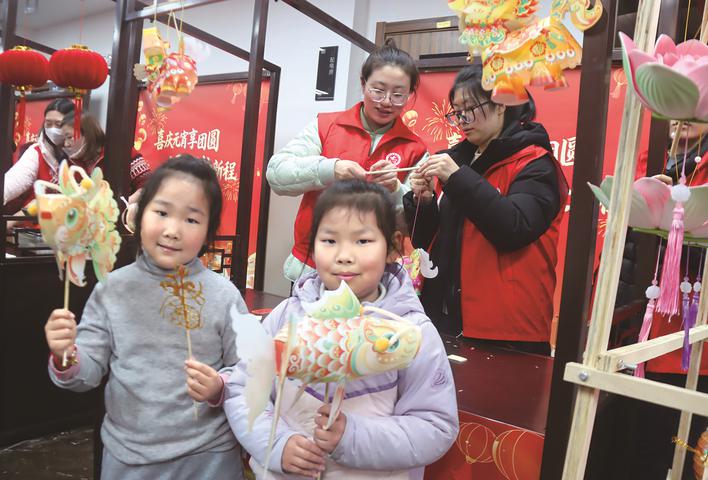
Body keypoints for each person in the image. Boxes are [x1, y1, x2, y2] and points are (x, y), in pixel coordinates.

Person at [225, 180, 459, 479]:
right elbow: (243, 387)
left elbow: (435, 425)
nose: (344, 255)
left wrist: (352, 437)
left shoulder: (412, 332)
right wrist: (276, 444)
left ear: (392, 248)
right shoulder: (287, 316)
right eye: (329, 240)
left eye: (362, 241)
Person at [44, 155, 245, 480]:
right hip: (129, 459)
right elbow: (87, 373)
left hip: (209, 458)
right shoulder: (112, 290)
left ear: (209, 232)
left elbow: (250, 371)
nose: (173, 230)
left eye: (191, 219)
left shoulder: (224, 295)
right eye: (162, 212)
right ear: (139, 216)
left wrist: (220, 386)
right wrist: (65, 354)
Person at [404, 64, 568, 355]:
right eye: (457, 111)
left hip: (506, 327)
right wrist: (424, 202)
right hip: (444, 315)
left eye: (470, 108)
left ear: (502, 104)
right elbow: (429, 241)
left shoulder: (535, 164)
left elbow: (514, 228)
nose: (462, 120)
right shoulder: (460, 161)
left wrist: (457, 178)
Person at [266, 39, 428, 283]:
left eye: (398, 95)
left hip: (373, 275)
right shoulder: (326, 126)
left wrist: (395, 189)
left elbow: (414, 226)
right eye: (378, 90)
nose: (386, 101)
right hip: (313, 266)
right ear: (363, 84)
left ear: (409, 95)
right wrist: (331, 169)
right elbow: (277, 174)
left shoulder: (415, 148)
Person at [622, 120, 707, 479]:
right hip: (636, 331)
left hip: (690, 343)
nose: (679, 114)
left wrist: (677, 215)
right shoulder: (650, 159)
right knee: (634, 450)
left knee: (683, 452)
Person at [3, 98, 74, 211]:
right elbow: (13, 182)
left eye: (58, 124)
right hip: (35, 217)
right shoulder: (36, 151)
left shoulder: (82, 153)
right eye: (48, 124)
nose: (52, 129)